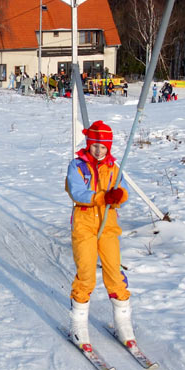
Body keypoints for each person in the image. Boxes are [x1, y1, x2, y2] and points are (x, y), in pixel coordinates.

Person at [65, 121, 133, 351]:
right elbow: (77, 192)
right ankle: (78, 325)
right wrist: (103, 197)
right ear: (89, 144)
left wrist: (118, 195)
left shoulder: (114, 168)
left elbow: (124, 193)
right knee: (86, 275)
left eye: (104, 147)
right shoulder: (77, 166)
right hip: (84, 223)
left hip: (108, 225)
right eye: (95, 146)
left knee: (114, 272)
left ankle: (123, 323)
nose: (99, 151)